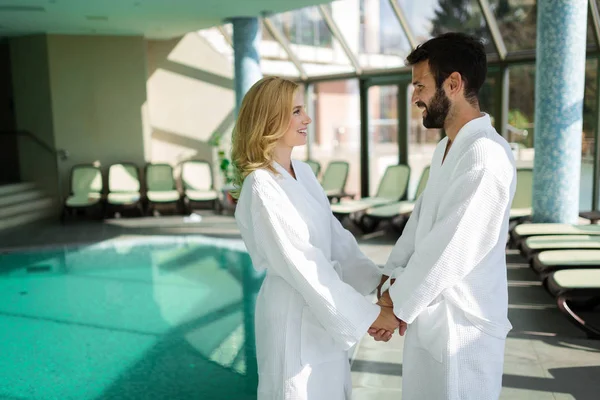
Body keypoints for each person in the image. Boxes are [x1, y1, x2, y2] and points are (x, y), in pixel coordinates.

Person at [231, 76, 400, 400]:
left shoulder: (303, 172)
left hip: (323, 312)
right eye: (296, 111)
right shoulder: (261, 186)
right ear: (270, 118)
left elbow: (336, 239)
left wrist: (379, 284)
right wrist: (368, 315)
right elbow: (304, 265)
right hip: (292, 315)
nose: (307, 119)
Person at [370, 32, 516, 400]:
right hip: (430, 315)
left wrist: (396, 305)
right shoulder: (446, 150)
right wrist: (389, 279)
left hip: (463, 330)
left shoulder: (486, 156)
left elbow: (450, 250)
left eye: (420, 85)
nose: (414, 96)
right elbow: (420, 224)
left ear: (453, 83)